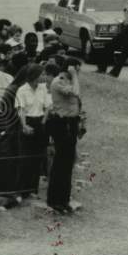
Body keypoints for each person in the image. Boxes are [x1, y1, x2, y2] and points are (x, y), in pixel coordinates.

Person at [46, 58, 82, 214]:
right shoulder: (59, 81)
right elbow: (76, 92)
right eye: (77, 68)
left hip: (71, 122)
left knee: (68, 162)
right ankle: (54, 200)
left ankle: (64, 199)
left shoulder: (68, 80)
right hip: (61, 123)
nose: (79, 71)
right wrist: (74, 75)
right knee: (61, 161)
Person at [16, 63, 51, 198]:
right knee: (25, 157)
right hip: (27, 121)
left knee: (37, 157)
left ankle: (32, 189)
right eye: (42, 74)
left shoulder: (43, 89)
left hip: (40, 121)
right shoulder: (22, 90)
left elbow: (48, 106)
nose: (44, 77)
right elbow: (21, 109)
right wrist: (24, 125)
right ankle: (21, 190)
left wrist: (42, 122)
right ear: (34, 76)